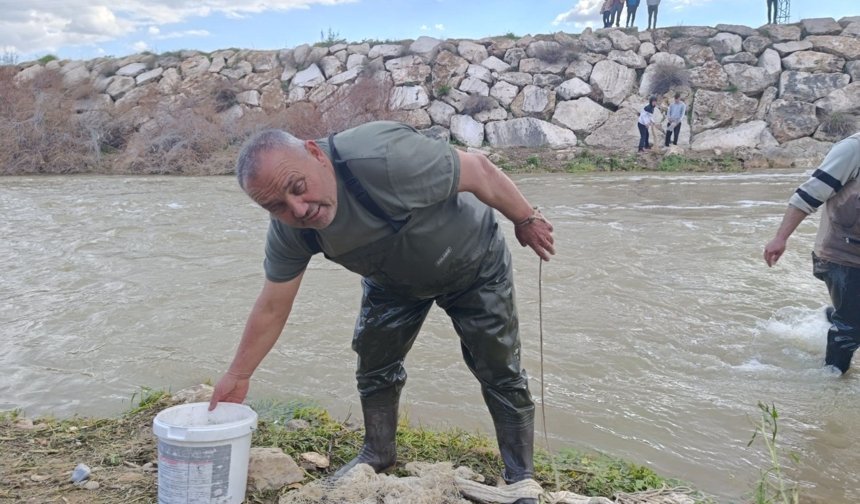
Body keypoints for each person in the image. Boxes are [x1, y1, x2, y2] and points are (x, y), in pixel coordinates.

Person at [209, 121, 555, 503]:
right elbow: (273, 306)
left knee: (499, 365)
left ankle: (520, 476)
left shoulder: (383, 158)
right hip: (394, 284)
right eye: (277, 206)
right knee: (374, 362)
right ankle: (378, 452)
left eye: (298, 187)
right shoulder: (290, 229)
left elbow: (480, 171)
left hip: (474, 262)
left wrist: (525, 219)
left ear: (316, 154)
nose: (298, 209)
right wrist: (238, 374)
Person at [763, 132, 860, 374]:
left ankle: (833, 316)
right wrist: (780, 238)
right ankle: (831, 384)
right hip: (842, 256)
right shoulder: (853, 149)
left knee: (851, 316)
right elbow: (809, 194)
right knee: (850, 331)